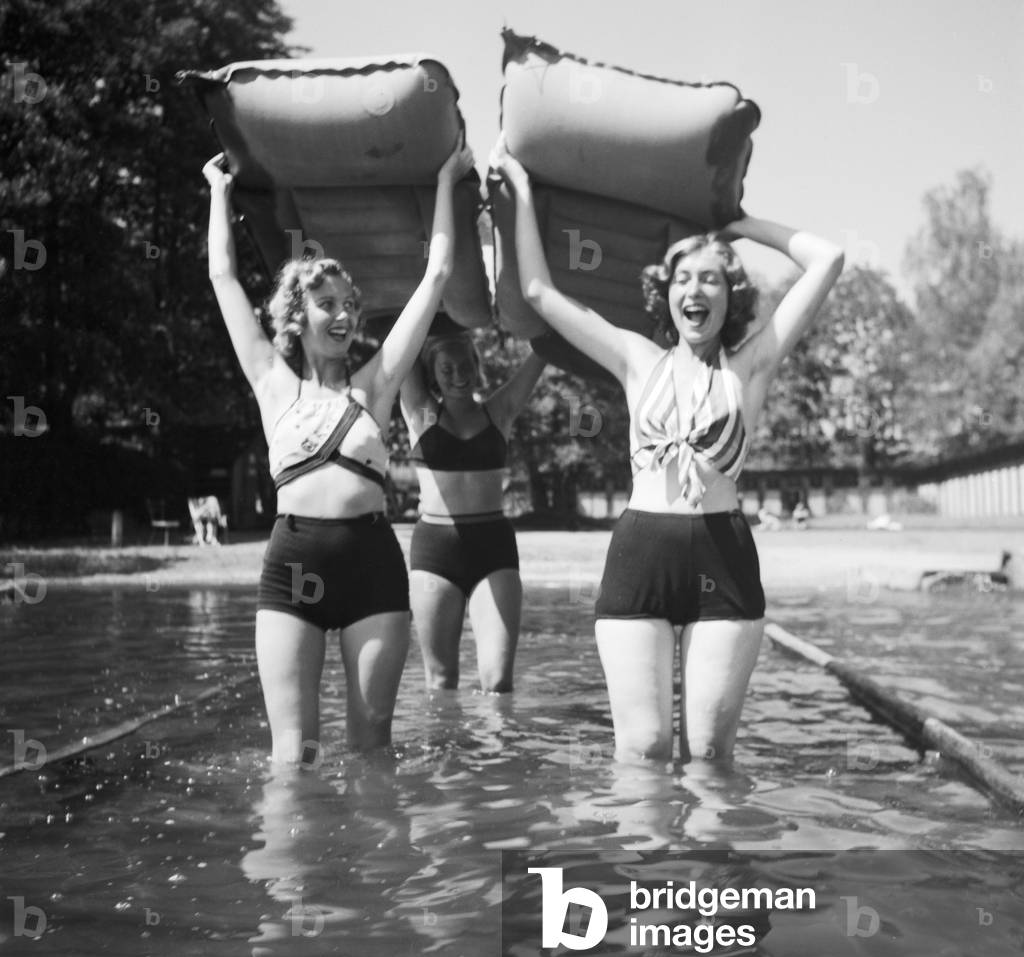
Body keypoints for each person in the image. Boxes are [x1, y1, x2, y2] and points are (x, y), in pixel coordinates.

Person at [491, 137, 843, 764]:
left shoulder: (754, 363)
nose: (695, 289)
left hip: (726, 558)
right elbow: (541, 293)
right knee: (644, 748)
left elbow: (829, 258)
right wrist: (518, 190)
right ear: (667, 293)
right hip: (640, 557)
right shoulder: (635, 357)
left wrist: (739, 224)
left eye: (711, 278)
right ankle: (652, 866)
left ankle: (707, 863)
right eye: (684, 278)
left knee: (709, 753)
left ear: (730, 296)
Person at [202, 137, 474, 762]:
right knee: (293, 753)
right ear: (297, 316)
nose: (345, 315)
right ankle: (296, 863)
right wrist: (218, 193)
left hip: (373, 568)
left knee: (371, 747)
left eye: (350, 305)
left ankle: (369, 856)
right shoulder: (272, 382)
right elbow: (222, 276)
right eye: (328, 304)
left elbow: (435, 276)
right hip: (292, 568)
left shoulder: (375, 384)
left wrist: (442, 181)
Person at [400, 334, 546, 691]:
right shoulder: (420, 411)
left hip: (493, 549)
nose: (458, 375)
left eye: (466, 365)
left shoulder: (499, 410)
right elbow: (400, 345)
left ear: (478, 368)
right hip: (436, 551)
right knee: (441, 679)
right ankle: (446, 748)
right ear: (432, 374)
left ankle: (496, 748)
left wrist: (551, 313)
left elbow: (540, 353)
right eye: (446, 369)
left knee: (497, 682)